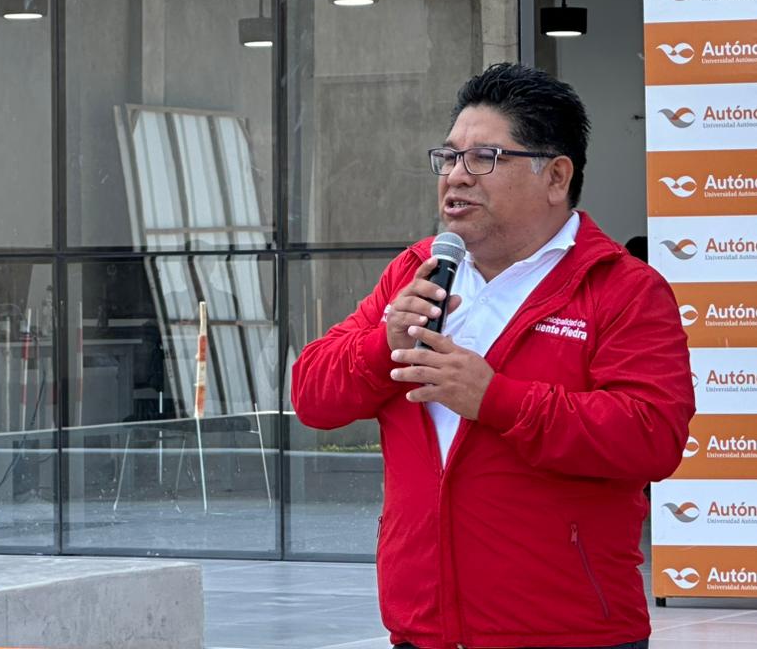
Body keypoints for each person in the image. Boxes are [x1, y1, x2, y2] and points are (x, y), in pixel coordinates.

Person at [291, 63, 695, 649]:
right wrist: (383, 346)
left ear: (556, 176)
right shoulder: (417, 272)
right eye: (449, 157)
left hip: (570, 631)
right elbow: (312, 398)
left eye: (484, 158)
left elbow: (651, 435)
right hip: (422, 628)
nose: (457, 176)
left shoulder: (621, 289)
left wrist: (496, 399)